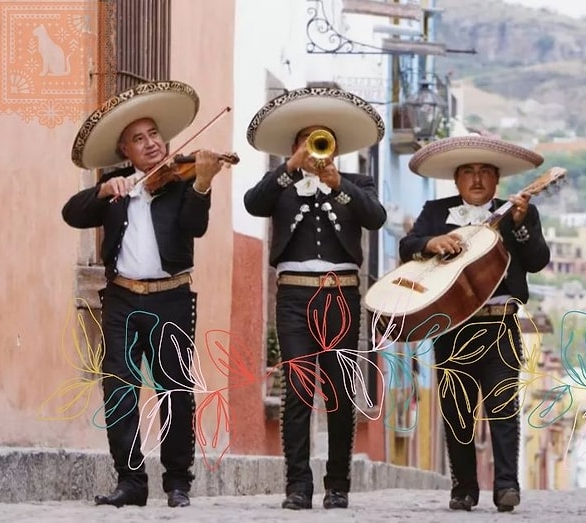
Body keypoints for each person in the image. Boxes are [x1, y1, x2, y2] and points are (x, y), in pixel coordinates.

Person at [62, 80, 226, 508]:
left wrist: (203, 183)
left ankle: (177, 483)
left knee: (174, 391)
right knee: (119, 389)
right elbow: (71, 212)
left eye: (154, 134)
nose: (151, 144)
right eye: (139, 139)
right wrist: (102, 190)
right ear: (125, 152)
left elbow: (195, 227)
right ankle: (131, 483)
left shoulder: (180, 183)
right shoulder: (115, 187)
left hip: (170, 297)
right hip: (120, 300)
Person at [243, 86, 387, 511]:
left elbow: (375, 218)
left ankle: (338, 483)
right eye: (307, 142)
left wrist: (338, 182)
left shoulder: (357, 183)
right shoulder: (282, 185)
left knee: (341, 392)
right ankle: (297, 486)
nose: (315, 149)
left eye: (321, 141)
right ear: (294, 147)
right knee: (299, 390)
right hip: (293, 298)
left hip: (340, 295)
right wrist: (290, 167)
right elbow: (253, 203)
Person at [397, 135, 549, 512]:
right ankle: (463, 488)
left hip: (499, 323)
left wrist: (521, 225)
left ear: (497, 179)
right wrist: (431, 243)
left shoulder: (519, 212)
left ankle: (506, 486)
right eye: (469, 172)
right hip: (451, 325)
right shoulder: (436, 211)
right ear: (456, 179)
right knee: (456, 407)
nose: (477, 179)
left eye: (485, 172)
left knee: (502, 406)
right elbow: (408, 245)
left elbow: (537, 260)